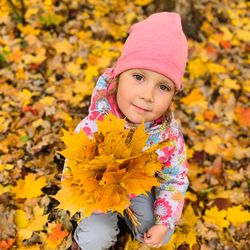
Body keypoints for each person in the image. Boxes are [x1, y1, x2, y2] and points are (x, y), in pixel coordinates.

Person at [70, 12, 189, 250]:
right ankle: (87, 235)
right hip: (97, 195)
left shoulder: (167, 136)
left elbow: (175, 178)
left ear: (173, 95)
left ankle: (134, 225)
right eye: (138, 77)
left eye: (163, 87)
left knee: (155, 232)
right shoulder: (93, 128)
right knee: (96, 239)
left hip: (137, 190)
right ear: (118, 76)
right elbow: (72, 177)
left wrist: (164, 221)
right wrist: (100, 202)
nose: (148, 95)